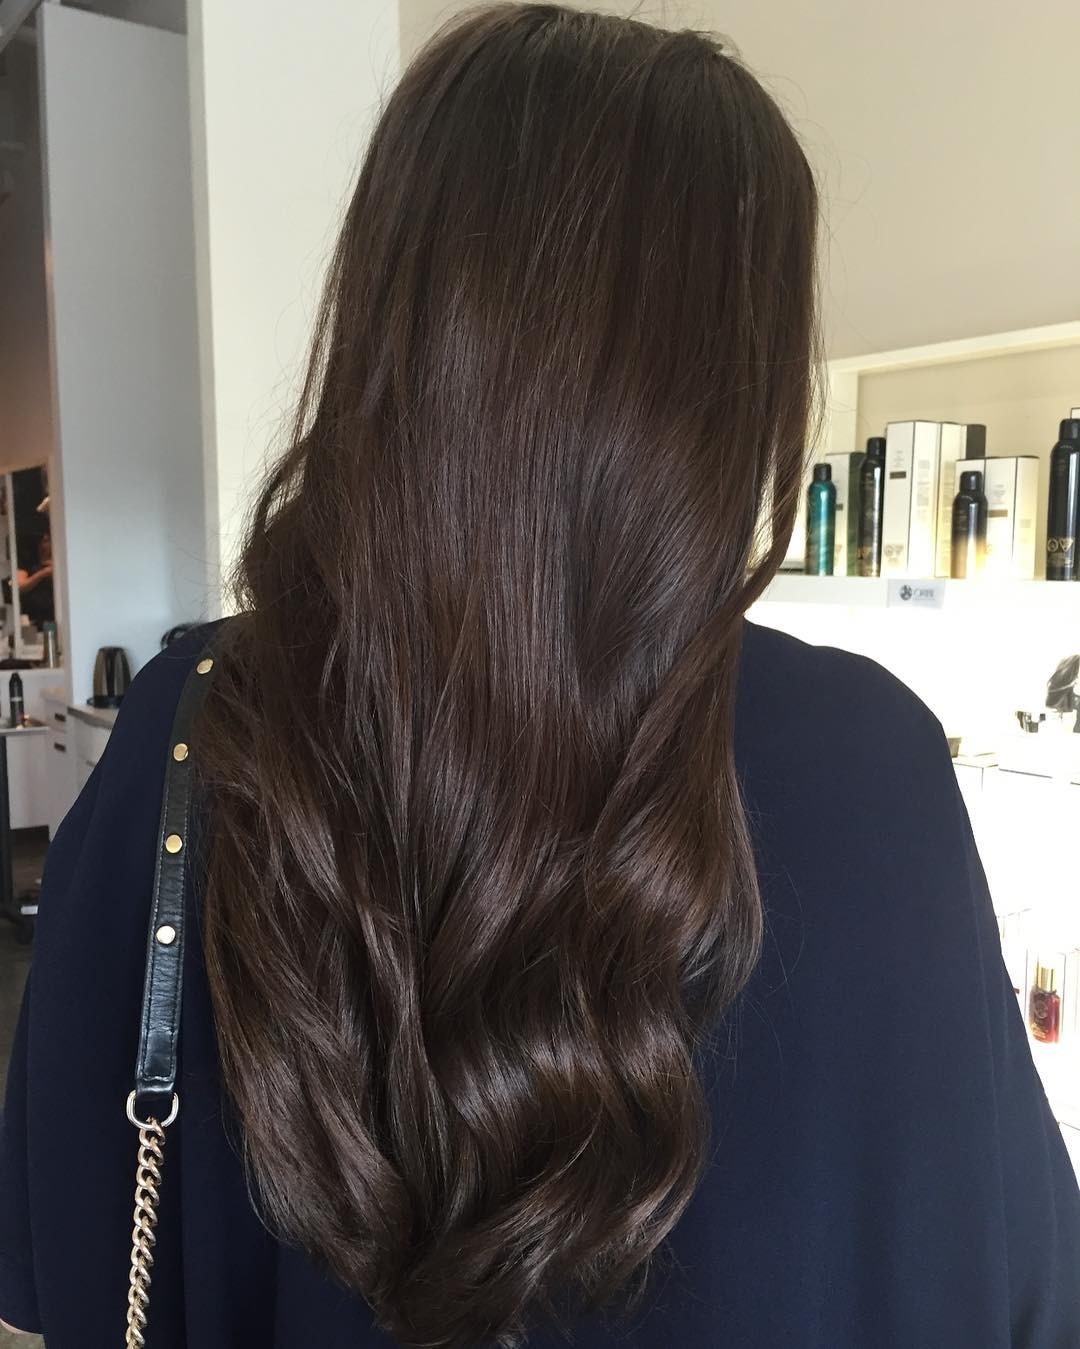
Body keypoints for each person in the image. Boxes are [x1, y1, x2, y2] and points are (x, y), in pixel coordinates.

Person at [1, 6, 1077, 1346]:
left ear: (396, 327)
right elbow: (1004, 1279)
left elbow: (67, 1242)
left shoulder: (199, 728)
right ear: (731, 387)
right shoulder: (869, 764)